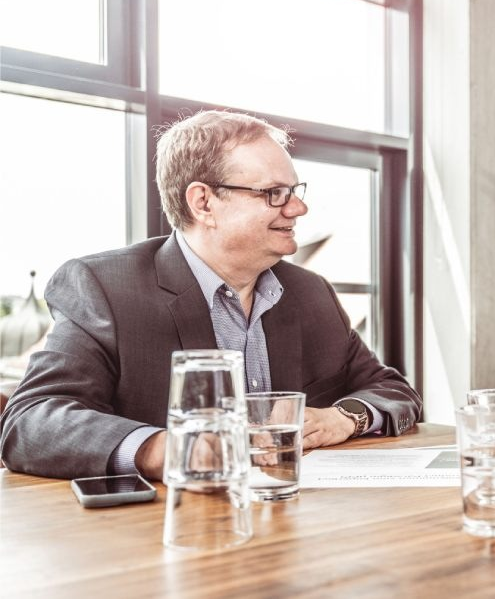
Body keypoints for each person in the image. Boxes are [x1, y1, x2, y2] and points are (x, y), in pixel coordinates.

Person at [0, 110, 422, 481]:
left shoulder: (310, 293)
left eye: (296, 191)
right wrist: (166, 450)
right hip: (160, 541)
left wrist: (344, 418)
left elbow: (393, 390)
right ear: (203, 203)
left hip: (296, 534)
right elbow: (29, 422)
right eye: (274, 193)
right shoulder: (103, 287)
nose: (297, 209)